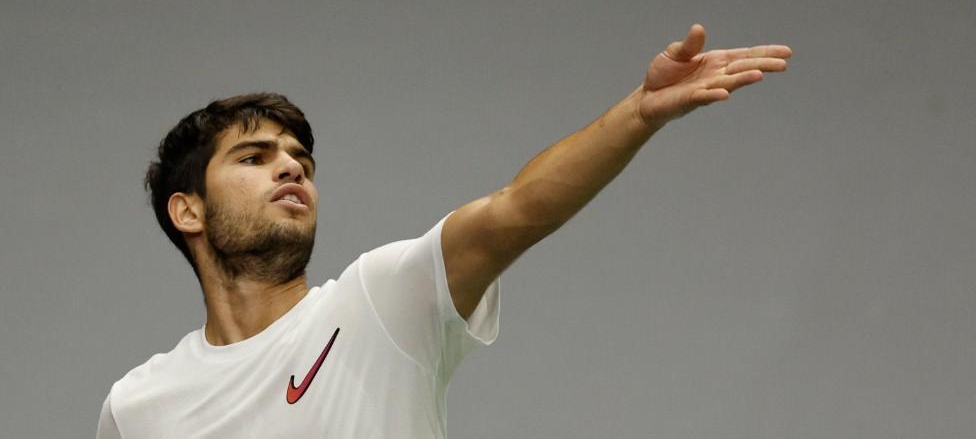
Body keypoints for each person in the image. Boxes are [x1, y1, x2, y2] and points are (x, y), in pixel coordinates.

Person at [95, 23, 791, 438]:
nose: (290, 169)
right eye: (254, 157)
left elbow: (515, 209)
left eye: (300, 160)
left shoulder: (377, 303)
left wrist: (638, 114)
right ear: (187, 210)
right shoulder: (138, 407)